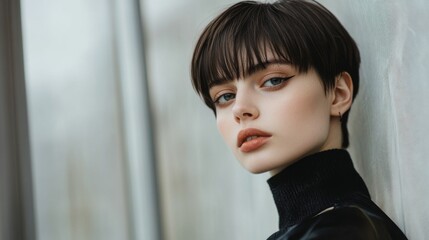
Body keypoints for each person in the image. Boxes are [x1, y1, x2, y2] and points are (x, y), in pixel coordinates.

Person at [191, 0, 407, 239]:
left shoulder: (344, 230)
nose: (240, 109)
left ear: (338, 94)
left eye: (273, 81)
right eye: (225, 96)